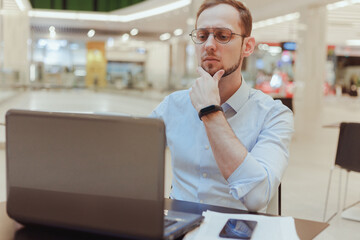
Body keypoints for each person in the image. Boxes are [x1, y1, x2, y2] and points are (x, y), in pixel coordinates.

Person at [150, 0, 294, 212]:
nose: (209, 44)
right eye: (202, 35)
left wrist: (210, 111)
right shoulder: (172, 106)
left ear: (247, 46)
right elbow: (132, 162)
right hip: (178, 226)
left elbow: (256, 197)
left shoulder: (274, 115)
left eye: (222, 35)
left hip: (235, 230)